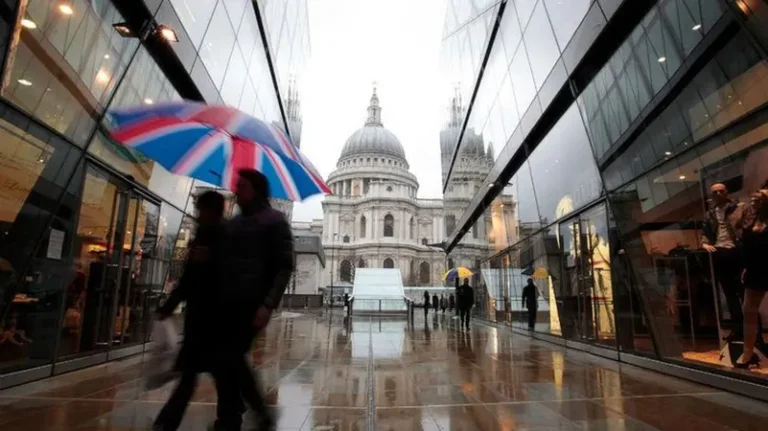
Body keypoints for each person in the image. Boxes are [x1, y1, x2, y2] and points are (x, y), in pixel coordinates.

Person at [212, 169, 294, 431]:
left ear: (256, 190)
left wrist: (268, 304)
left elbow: (284, 266)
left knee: (231, 357)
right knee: (227, 359)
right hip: (228, 301)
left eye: (243, 186)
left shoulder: (274, 220)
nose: (237, 191)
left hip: (253, 303)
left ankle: (248, 413)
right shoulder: (234, 222)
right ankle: (235, 413)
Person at [154, 191, 227, 431]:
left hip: (208, 317)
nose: (196, 212)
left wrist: (168, 306)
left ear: (209, 210)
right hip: (208, 317)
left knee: (200, 374)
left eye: (199, 208)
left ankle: (167, 422)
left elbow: (190, 278)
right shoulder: (217, 233)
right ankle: (167, 421)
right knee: (202, 374)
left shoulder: (213, 235)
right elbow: (190, 278)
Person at [702, 183, 748, 341]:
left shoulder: (738, 207)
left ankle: (753, 332)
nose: (719, 194)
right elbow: (706, 232)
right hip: (719, 252)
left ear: (727, 191)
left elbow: (745, 227)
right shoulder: (710, 214)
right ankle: (738, 330)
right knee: (729, 294)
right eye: (715, 192)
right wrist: (705, 243)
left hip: (736, 251)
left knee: (744, 292)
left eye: (721, 191)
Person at [736, 189, 768, 368]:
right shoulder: (751, 218)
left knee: (749, 309)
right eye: (753, 198)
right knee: (748, 309)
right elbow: (742, 239)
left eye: (758, 199)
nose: (753, 201)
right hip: (755, 268)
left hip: (765, 266)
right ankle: (748, 353)